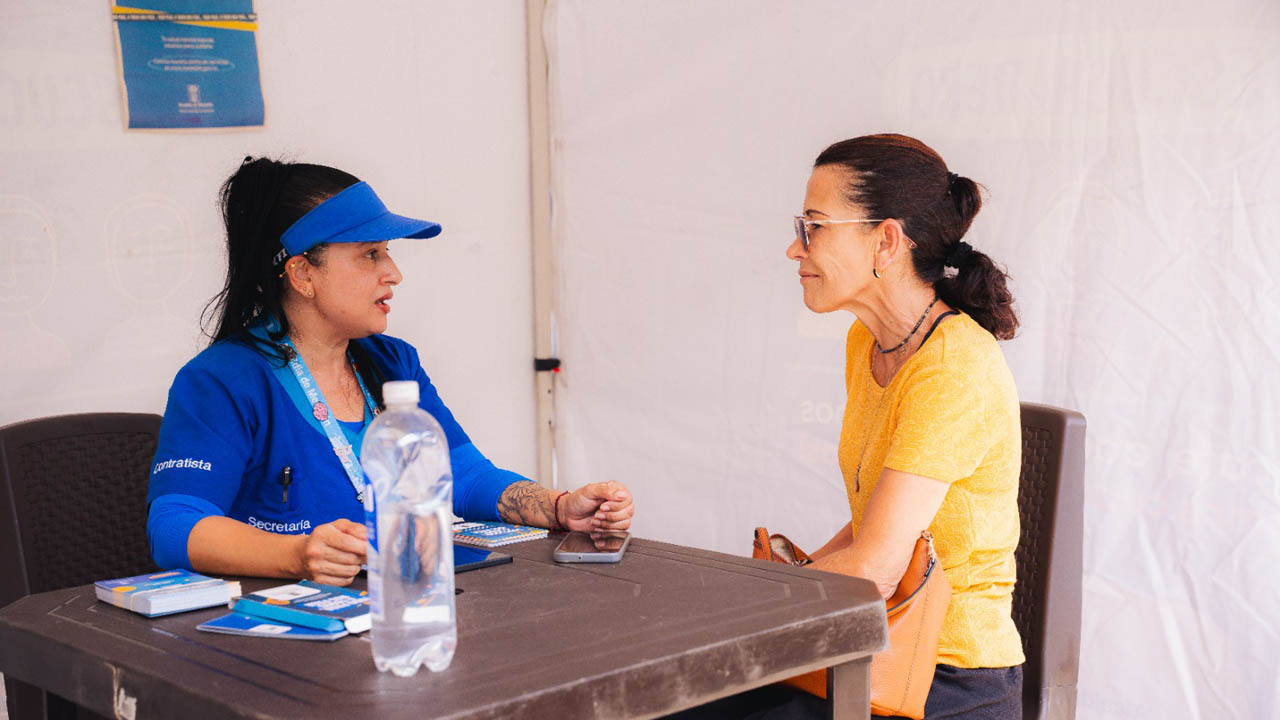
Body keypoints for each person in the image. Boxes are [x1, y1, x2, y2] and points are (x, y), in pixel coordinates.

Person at [147, 157, 634, 586]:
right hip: (288, 630)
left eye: (387, 252)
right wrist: (296, 555)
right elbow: (173, 526)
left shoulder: (393, 361)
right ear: (302, 274)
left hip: (400, 604)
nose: (393, 273)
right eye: (370, 254)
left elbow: (462, 475)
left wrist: (558, 507)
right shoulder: (220, 380)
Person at [673, 134, 1023, 720]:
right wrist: (788, 582)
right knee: (682, 702)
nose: (795, 248)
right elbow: (876, 532)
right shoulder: (868, 342)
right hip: (872, 647)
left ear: (886, 240)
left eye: (814, 226)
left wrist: (742, 603)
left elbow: (877, 568)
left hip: (946, 679)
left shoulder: (955, 367)